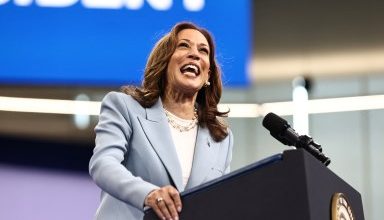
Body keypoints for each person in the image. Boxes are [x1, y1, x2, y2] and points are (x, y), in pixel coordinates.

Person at [89, 21, 233, 220]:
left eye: (203, 50)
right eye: (184, 45)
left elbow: (221, 201)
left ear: (208, 74)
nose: (195, 54)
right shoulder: (124, 108)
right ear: (165, 61)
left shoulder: (221, 138)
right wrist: (148, 194)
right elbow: (103, 164)